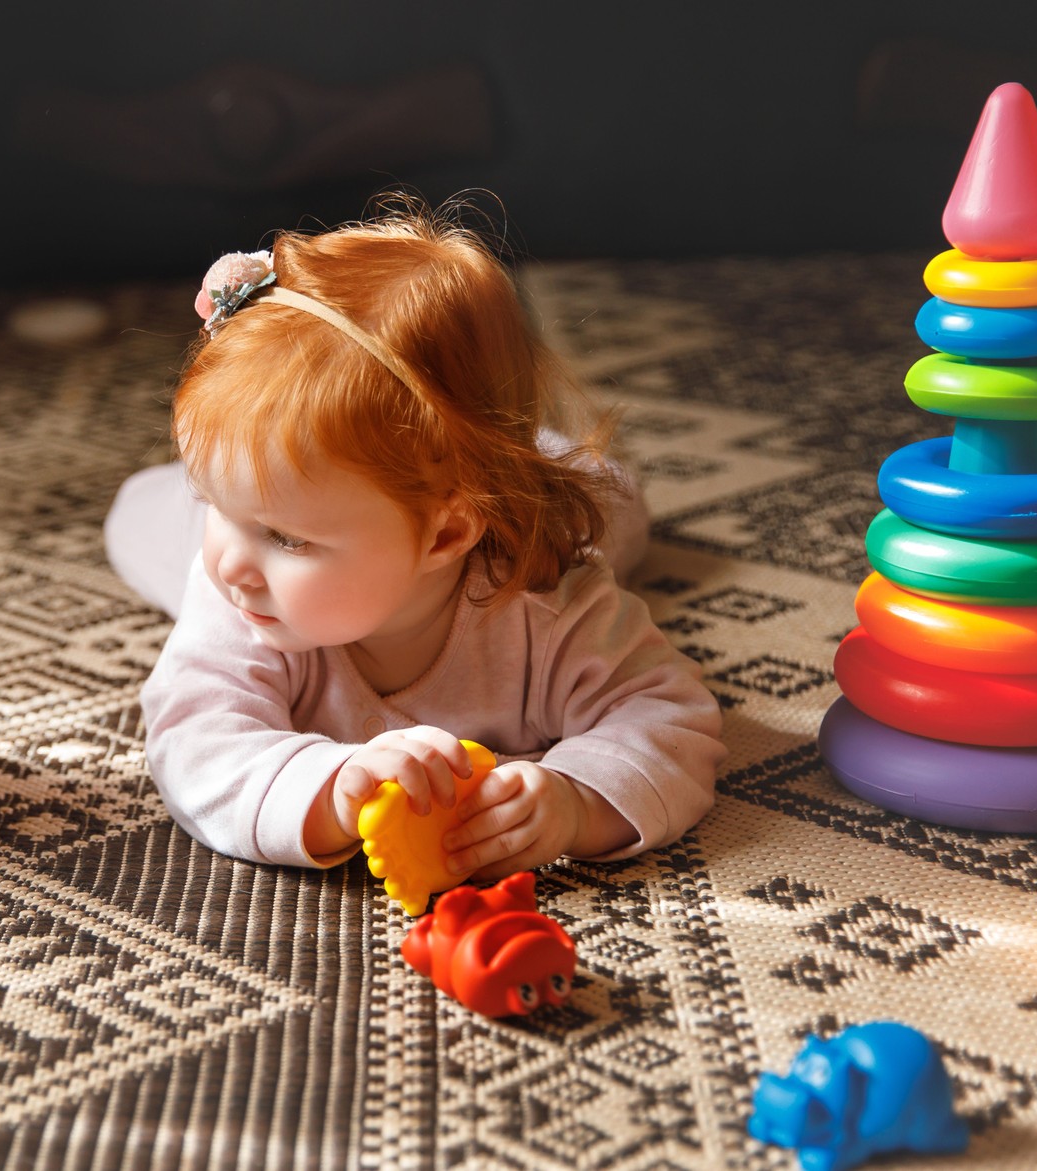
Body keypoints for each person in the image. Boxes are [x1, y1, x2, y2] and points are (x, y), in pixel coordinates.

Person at [105, 203, 724, 879]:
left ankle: (540, 464)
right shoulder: (232, 590)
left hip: (519, 509)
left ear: (448, 534)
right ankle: (209, 487)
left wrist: (576, 801)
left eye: (287, 538)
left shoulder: (551, 604)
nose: (232, 564)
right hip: (216, 509)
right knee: (136, 514)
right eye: (219, 506)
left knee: (608, 503)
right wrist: (330, 785)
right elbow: (195, 746)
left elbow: (674, 719)